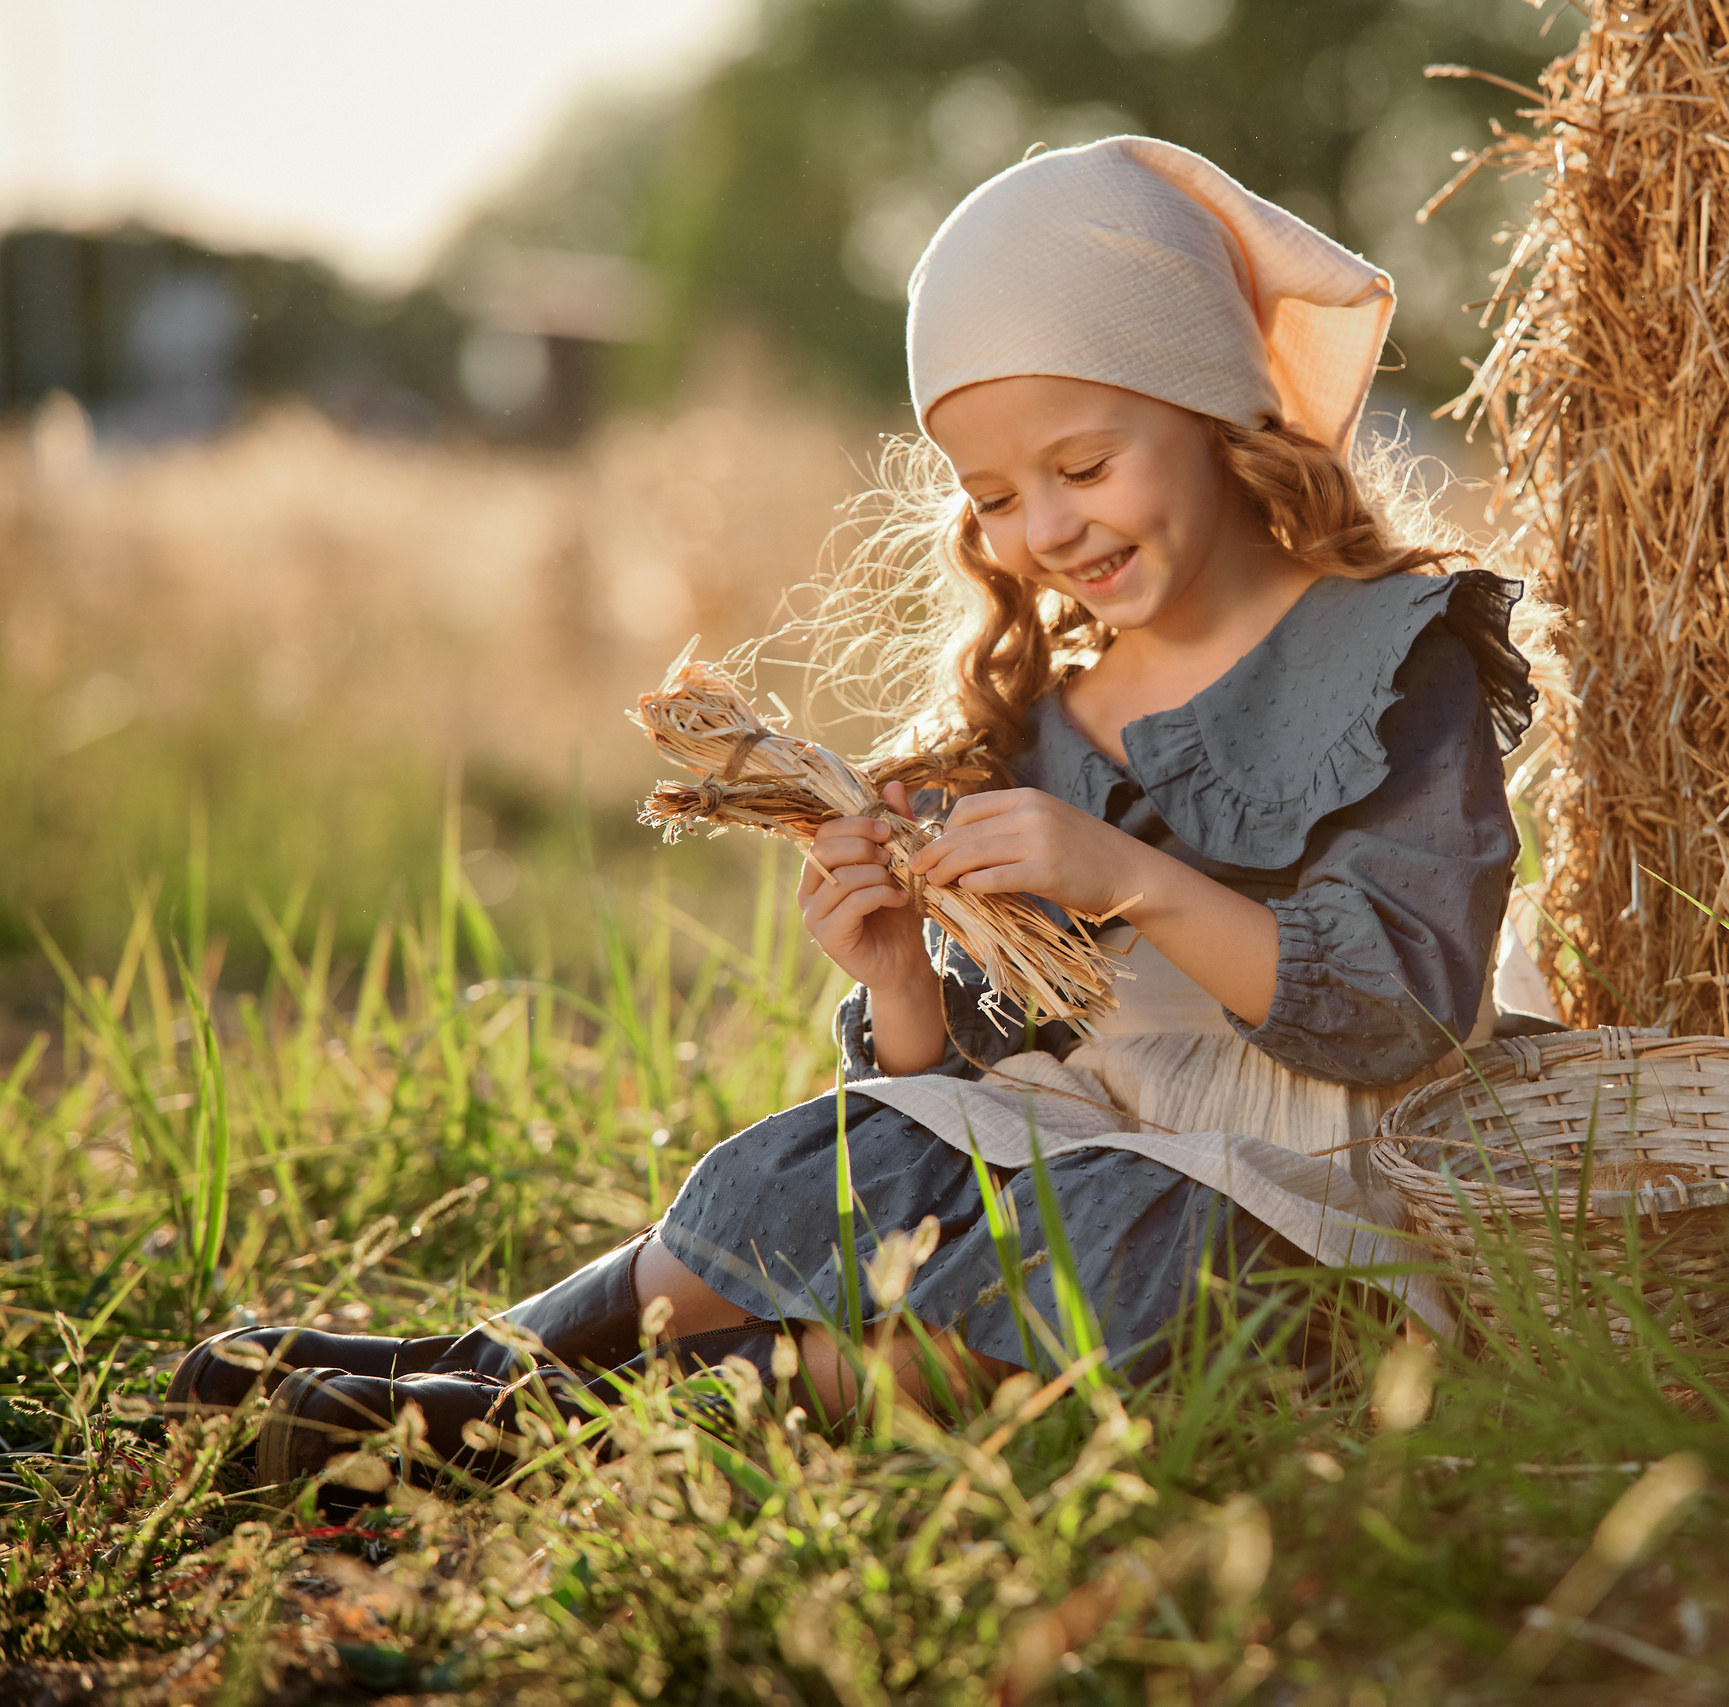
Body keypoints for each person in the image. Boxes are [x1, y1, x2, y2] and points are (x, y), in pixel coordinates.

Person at [165, 136, 1536, 1490]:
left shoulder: (1391, 657)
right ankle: (487, 1361)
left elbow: (1402, 1008)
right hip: (1084, 1135)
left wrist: (1135, 876)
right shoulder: (1049, 713)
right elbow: (988, 1088)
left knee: (1135, 1249)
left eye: (1085, 465)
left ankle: (558, 1427)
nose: (1045, 528)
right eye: (995, 496)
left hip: (1313, 1194)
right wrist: (900, 988)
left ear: (1211, 406)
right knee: (841, 1159)